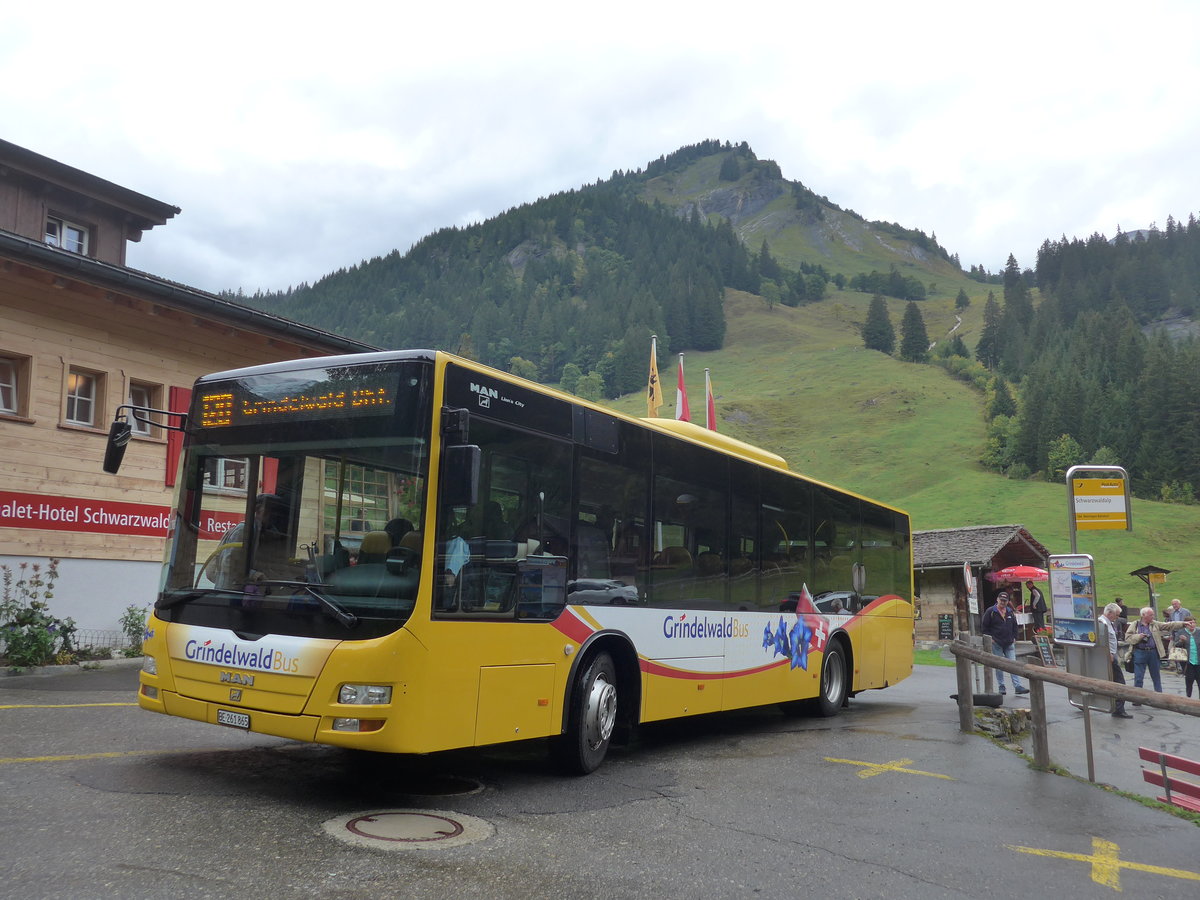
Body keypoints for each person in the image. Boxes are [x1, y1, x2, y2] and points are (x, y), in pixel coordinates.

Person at [1125, 606, 1186, 695]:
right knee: (1138, 677)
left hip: (1153, 653)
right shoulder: (1135, 624)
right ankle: (1137, 698)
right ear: (1143, 615)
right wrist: (1139, 636)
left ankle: (1159, 696)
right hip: (1139, 652)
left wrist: (1183, 623)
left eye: (1153, 615)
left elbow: (1169, 625)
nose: (1153, 617)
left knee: (1156, 676)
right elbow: (1128, 638)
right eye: (1151, 615)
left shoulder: (1155, 624)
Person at [980, 591, 1028, 695]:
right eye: (1001, 600)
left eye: (1005, 601)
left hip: (1009, 642)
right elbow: (984, 627)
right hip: (996, 642)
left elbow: (1015, 626)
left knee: (1013, 664)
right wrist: (990, 638)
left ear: (1007, 602)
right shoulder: (991, 611)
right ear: (997, 600)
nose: (1002, 602)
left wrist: (1015, 637)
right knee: (999, 665)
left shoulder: (1010, 612)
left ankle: (1017, 686)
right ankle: (1001, 686)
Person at [1099, 602, 1133, 718]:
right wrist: (1108, 654)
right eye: (1116, 615)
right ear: (1109, 613)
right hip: (1109, 657)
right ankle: (1118, 709)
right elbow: (1101, 640)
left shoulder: (1108, 623)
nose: (1117, 617)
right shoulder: (1102, 623)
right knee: (1120, 683)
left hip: (1111, 656)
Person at [1164, 598, 1192, 673]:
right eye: (1173, 604)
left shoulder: (1186, 612)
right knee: (1173, 650)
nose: (1174, 606)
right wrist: (1171, 634)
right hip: (1175, 634)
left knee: (1184, 650)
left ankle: (1185, 667)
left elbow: (1191, 621)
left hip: (1184, 633)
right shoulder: (1172, 613)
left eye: (1175, 604)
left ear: (1179, 604)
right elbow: (1171, 624)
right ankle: (1177, 667)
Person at [1177, 616, 1200, 699]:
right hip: (1188, 662)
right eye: (1190, 623)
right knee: (1189, 680)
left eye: (1193, 622)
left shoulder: (1198, 632)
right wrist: (1181, 641)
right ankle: (1188, 697)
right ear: (1186, 624)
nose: (1192, 625)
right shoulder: (1181, 632)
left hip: (1198, 661)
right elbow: (1176, 646)